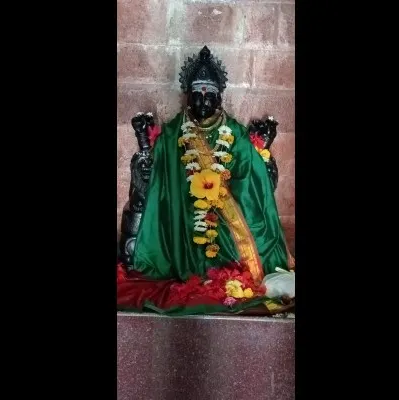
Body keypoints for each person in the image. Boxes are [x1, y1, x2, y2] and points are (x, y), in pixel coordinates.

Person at [117, 46, 294, 315]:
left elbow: (250, 175)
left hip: (226, 210)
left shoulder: (233, 131)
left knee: (231, 232)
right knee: (186, 220)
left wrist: (226, 194)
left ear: (219, 97)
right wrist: (145, 145)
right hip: (185, 206)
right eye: (196, 96)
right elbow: (162, 174)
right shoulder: (175, 131)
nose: (202, 102)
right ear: (188, 97)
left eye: (208, 95)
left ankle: (227, 272)